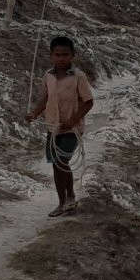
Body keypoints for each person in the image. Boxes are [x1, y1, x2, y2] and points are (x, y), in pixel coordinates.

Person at [24, 35, 94, 217]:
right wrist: (34, 113)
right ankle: (63, 201)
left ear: (72, 55)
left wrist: (73, 119)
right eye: (57, 54)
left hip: (72, 129)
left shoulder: (79, 77)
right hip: (53, 127)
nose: (61, 58)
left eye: (65, 55)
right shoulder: (48, 76)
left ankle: (69, 198)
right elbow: (45, 98)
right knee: (57, 165)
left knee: (62, 161)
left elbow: (88, 102)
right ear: (51, 55)